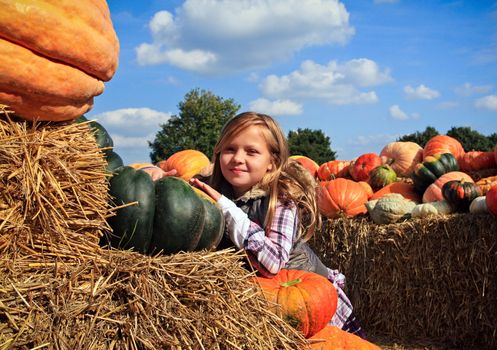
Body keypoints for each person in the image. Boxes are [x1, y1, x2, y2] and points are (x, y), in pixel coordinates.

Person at [190, 111, 366, 338]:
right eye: (230, 149)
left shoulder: (281, 199)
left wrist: (227, 209)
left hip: (305, 305)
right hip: (254, 306)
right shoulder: (210, 191)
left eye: (251, 151)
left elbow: (272, 263)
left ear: (272, 162)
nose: (237, 158)